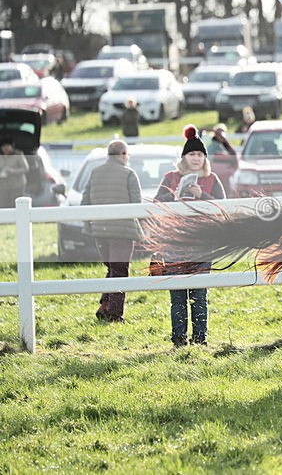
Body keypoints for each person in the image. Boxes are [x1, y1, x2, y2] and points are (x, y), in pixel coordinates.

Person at [154, 125, 226, 347]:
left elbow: (223, 207)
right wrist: (173, 196)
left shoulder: (212, 179)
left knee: (199, 295)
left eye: (200, 155)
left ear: (205, 158)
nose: (196, 158)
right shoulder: (170, 177)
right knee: (177, 296)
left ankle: (200, 339)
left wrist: (202, 195)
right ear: (184, 157)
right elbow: (155, 203)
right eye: (192, 154)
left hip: (202, 245)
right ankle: (179, 339)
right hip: (175, 244)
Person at [81, 139, 142, 323]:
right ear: (123, 154)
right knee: (120, 270)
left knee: (112, 267)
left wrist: (89, 225)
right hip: (122, 232)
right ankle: (115, 314)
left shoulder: (94, 173)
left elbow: (85, 201)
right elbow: (137, 204)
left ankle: (105, 305)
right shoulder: (129, 174)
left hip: (100, 231)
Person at [205, 123, 238, 197]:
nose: (221, 136)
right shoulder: (213, 146)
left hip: (226, 173)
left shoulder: (225, 145)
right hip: (215, 172)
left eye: (222, 133)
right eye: (218, 134)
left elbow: (233, 156)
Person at [0, 135, 29, 208]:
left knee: (16, 205)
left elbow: (25, 168)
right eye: (3, 146)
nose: (5, 148)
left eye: (7, 146)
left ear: (12, 146)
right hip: (3, 186)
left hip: (17, 185)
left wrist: (12, 171)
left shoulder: (18, 154)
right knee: (4, 205)